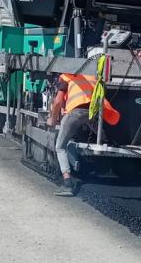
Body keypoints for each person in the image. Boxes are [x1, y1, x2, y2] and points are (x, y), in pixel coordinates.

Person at [47, 49, 121, 197]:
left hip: (75, 112)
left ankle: (67, 184)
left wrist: (52, 120)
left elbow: (58, 101)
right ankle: (108, 141)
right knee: (96, 131)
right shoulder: (91, 76)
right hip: (92, 112)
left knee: (60, 147)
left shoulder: (66, 76)